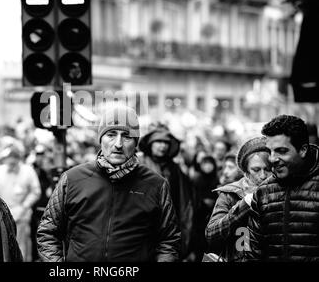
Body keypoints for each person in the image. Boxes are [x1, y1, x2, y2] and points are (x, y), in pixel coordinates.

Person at [37, 105, 180, 262]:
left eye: (126, 136)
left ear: (136, 142)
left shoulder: (156, 185)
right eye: (111, 134)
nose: (118, 144)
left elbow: (169, 240)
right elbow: (47, 232)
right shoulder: (72, 179)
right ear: (100, 139)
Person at [247, 115, 319, 261]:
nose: (272, 159)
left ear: (303, 150)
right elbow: (253, 253)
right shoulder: (263, 192)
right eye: (270, 151)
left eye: (281, 151)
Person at [205, 137, 272, 261]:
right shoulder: (230, 194)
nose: (263, 176)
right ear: (246, 172)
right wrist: (245, 204)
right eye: (256, 170)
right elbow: (211, 234)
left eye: (267, 169)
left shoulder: (280, 191)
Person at [138, 125, 198, 261]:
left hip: (168, 224)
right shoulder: (139, 163)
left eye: (166, 143)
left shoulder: (174, 168)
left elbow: (185, 202)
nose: (163, 146)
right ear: (150, 144)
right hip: (143, 223)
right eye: (159, 142)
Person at [0, 145, 41, 262]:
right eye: (9, 159)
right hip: (2, 214)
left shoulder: (28, 171)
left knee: (21, 245)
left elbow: (36, 191)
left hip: (22, 214)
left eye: (14, 159)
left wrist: (24, 206)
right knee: (4, 246)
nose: (11, 162)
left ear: (18, 159)